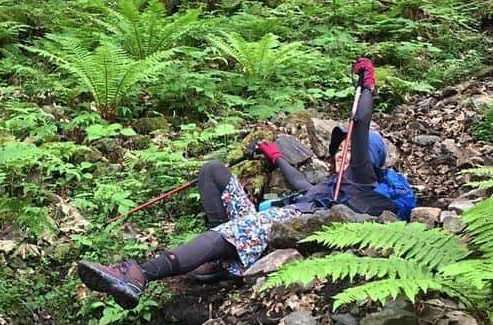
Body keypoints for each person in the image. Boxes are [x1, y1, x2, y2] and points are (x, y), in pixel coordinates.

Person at [78, 58, 405, 310]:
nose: (340, 157)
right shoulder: (332, 184)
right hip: (278, 220)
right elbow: (301, 183)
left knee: (227, 233)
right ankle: (219, 258)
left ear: (366, 160)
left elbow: (359, 123)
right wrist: (273, 154)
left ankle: (140, 275)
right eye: (338, 152)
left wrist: (367, 85)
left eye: (348, 153)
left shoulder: (362, 182)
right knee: (212, 171)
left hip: (287, 225)